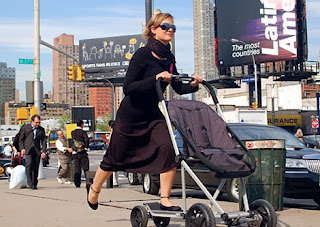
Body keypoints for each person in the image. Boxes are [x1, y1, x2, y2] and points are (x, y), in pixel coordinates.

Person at [87, 11, 202, 211]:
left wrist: (193, 85)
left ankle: (164, 198)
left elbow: (177, 87)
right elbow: (128, 87)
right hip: (130, 116)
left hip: (152, 115)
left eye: (173, 28)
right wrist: (155, 78)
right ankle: (94, 190)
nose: (170, 31)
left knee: (169, 148)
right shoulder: (142, 55)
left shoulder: (169, 57)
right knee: (114, 158)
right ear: (153, 29)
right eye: (165, 27)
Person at [18, 114, 47, 190]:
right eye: (36, 122)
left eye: (39, 122)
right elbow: (21, 139)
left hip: (37, 150)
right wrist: (22, 148)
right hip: (28, 149)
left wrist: (43, 151)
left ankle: (34, 183)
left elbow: (43, 141)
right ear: (32, 121)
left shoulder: (41, 129)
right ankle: (29, 182)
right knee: (29, 164)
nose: (37, 124)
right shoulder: (25, 128)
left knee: (35, 167)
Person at [71, 119, 90, 188]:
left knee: (77, 167)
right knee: (85, 167)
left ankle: (77, 183)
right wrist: (86, 147)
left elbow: (71, 141)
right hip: (82, 152)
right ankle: (88, 182)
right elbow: (87, 139)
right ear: (82, 125)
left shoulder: (72, 132)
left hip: (75, 152)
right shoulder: (83, 132)